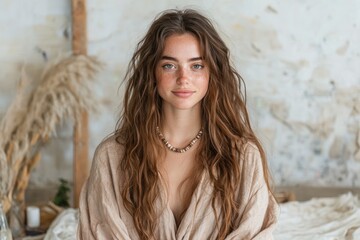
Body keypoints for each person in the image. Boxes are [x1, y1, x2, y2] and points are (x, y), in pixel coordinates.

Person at [77, 8, 278, 240]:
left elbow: (254, 233)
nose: (183, 78)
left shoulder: (242, 156)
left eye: (197, 66)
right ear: (152, 72)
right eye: (169, 66)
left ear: (213, 73)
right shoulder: (112, 157)